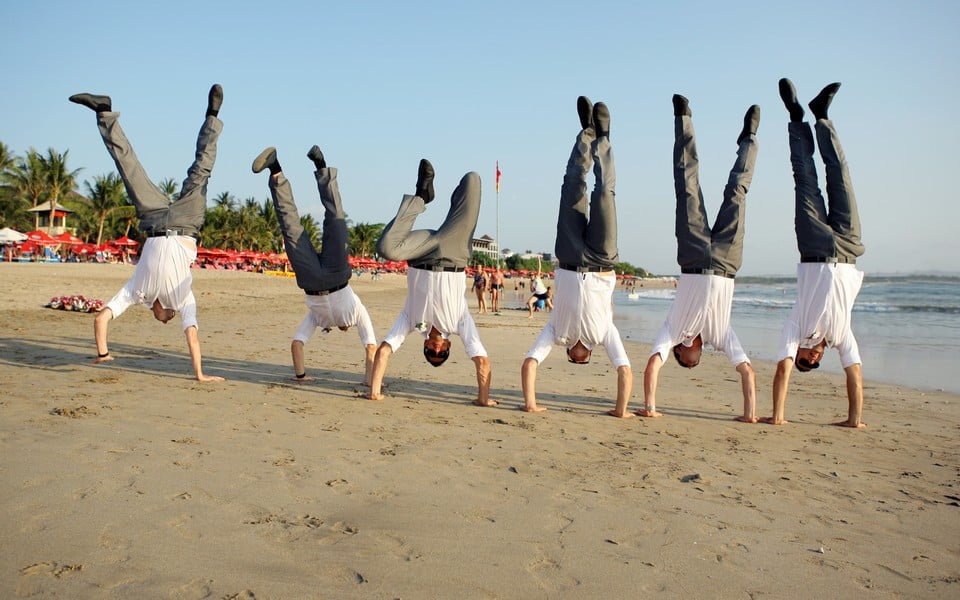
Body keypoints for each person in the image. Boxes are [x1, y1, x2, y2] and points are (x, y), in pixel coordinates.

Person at [71, 86, 225, 382]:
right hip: (187, 222)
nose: (167, 320)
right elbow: (192, 336)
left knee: (128, 169)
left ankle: (104, 112)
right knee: (201, 170)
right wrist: (200, 375)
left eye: (164, 320)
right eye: (170, 320)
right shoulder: (184, 300)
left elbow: (101, 318)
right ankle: (212, 116)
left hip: (153, 220)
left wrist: (103, 354)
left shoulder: (135, 292)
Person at [639, 95, 760, 423]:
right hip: (727, 261)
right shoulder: (721, 336)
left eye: (688, 362)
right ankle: (749, 138)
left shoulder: (672, 331)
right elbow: (747, 371)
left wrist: (650, 407)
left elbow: (652, 365)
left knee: (687, 187)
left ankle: (683, 119)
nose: (696, 359)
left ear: (679, 351)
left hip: (692, 256)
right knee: (737, 193)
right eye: (697, 362)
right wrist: (750, 415)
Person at [764, 79, 866, 429]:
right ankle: (822, 116)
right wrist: (854, 420)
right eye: (816, 362)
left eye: (806, 360)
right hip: (849, 248)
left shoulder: (797, 327)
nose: (814, 357)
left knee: (805, 178)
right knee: (841, 176)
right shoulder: (842, 336)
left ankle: (796, 118)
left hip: (814, 248)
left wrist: (778, 416)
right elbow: (854, 373)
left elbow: (783, 369)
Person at [521, 96, 632, 416]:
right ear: (591, 354)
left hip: (568, 256)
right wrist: (620, 410)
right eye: (583, 360)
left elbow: (530, 363)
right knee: (603, 193)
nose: (579, 357)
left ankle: (586, 132)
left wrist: (531, 404)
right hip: (602, 259)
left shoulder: (556, 334)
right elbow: (625, 370)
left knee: (572, 185)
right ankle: (603, 137)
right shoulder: (605, 334)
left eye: (574, 359)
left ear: (568, 352)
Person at [367, 159, 494, 406]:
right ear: (448, 345)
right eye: (441, 353)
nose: (436, 350)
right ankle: (452, 204)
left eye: (430, 352)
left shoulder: (412, 321)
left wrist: (374, 392)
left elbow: (384, 350)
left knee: (387, 248)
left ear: (425, 345)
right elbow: (482, 361)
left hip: (421, 255)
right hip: (454, 252)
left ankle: (422, 196)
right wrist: (483, 400)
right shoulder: (460, 323)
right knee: (473, 179)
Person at [251, 145, 377, 384]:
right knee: (336, 220)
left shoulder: (317, 319)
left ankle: (275, 169)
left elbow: (297, 344)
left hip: (310, 279)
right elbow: (371, 347)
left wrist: (301, 376)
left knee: (290, 227)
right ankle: (322, 167)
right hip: (337, 274)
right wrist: (370, 380)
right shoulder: (358, 312)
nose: (343, 329)